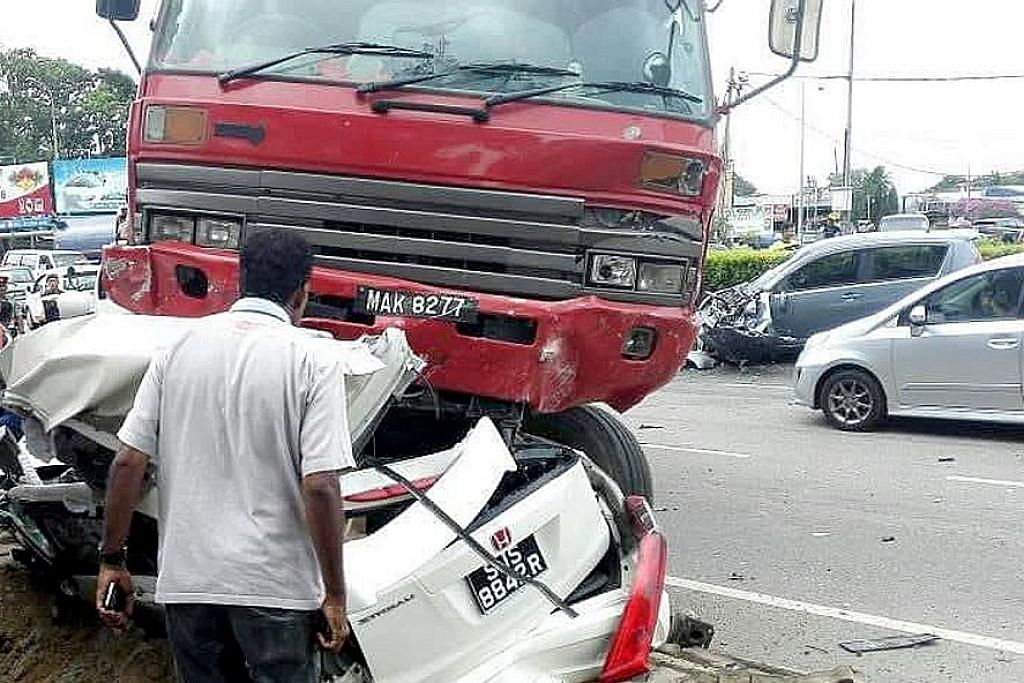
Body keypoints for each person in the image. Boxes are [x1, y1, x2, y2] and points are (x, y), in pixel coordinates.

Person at [96, 229, 352, 682]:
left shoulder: (177, 349)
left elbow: (128, 462)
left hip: (190, 583)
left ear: (240, 280)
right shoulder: (314, 361)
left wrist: (112, 560)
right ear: (303, 292)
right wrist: (334, 593)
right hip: (276, 590)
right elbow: (320, 486)